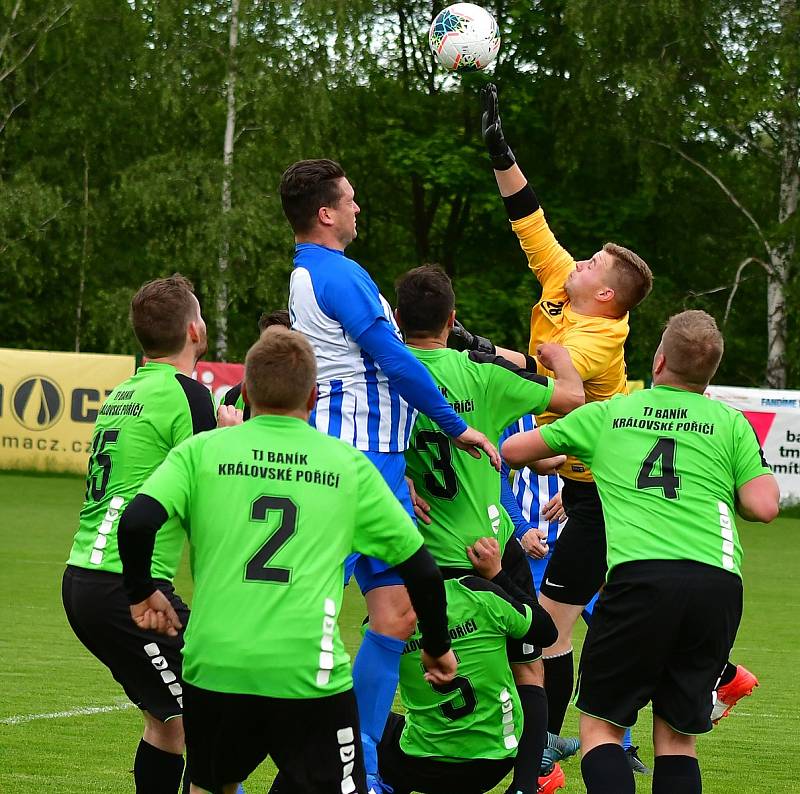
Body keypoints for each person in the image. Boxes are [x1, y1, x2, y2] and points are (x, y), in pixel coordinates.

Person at [117, 327, 457, 794]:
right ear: (315, 396)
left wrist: (140, 591)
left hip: (216, 665)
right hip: (308, 673)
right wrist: (437, 646)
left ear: (247, 390)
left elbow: (136, 521)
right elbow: (420, 568)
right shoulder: (346, 464)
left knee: (208, 785)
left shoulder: (201, 452)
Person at [280, 158, 499, 790]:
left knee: (397, 614)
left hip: (373, 462)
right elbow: (396, 361)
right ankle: (299, 753)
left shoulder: (313, 273)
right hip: (352, 466)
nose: (356, 208)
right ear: (325, 213)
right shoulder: (338, 275)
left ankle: (366, 765)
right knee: (308, 618)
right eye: (348, 200)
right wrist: (457, 426)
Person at [502, 310, 780, 794]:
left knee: (601, 728)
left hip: (641, 581)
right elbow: (763, 506)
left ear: (658, 361)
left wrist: (575, 453)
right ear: (710, 373)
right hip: (716, 583)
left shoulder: (610, 413)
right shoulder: (731, 422)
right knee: (676, 738)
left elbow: (515, 451)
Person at [479, 82, 654, 742]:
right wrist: (502, 151)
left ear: (604, 292)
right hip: (584, 487)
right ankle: (601, 730)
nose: (574, 260)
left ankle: (551, 742)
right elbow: (530, 218)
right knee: (577, 614)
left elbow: (552, 384)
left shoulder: (597, 338)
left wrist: (476, 350)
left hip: (609, 494)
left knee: (552, 621)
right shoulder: (565, 289)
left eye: (590, 262)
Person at [395, 265, 583, 794]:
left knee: (416, 669)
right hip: (487, 554)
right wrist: (558, 359)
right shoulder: (480, 374)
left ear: (396, 317)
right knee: (527, 667)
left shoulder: (384, 372)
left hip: (417, 556)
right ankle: (530, 780)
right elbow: (572, 399)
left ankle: (400, 772)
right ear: (452, 319)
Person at [61, 274, 219, 793]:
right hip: (126, 587)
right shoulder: (188, 396)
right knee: (213, 712)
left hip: (86, 579)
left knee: (168, 722)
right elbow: (210, 490)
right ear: (196, 330)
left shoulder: (122, 393)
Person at [377, 537, 558, 794]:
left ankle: (380, 786)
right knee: (527, 669)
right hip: (494, 761)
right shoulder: (482, 595)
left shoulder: (387, 619)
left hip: (420, 764)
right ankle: (525, 785)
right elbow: (547, 632)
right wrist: (498, 576)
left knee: (352, 721)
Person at [222, 309, 291, 420]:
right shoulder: (233, 397)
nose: (272, 350)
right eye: (266, 343)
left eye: (281, 343)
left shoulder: (316, 395)